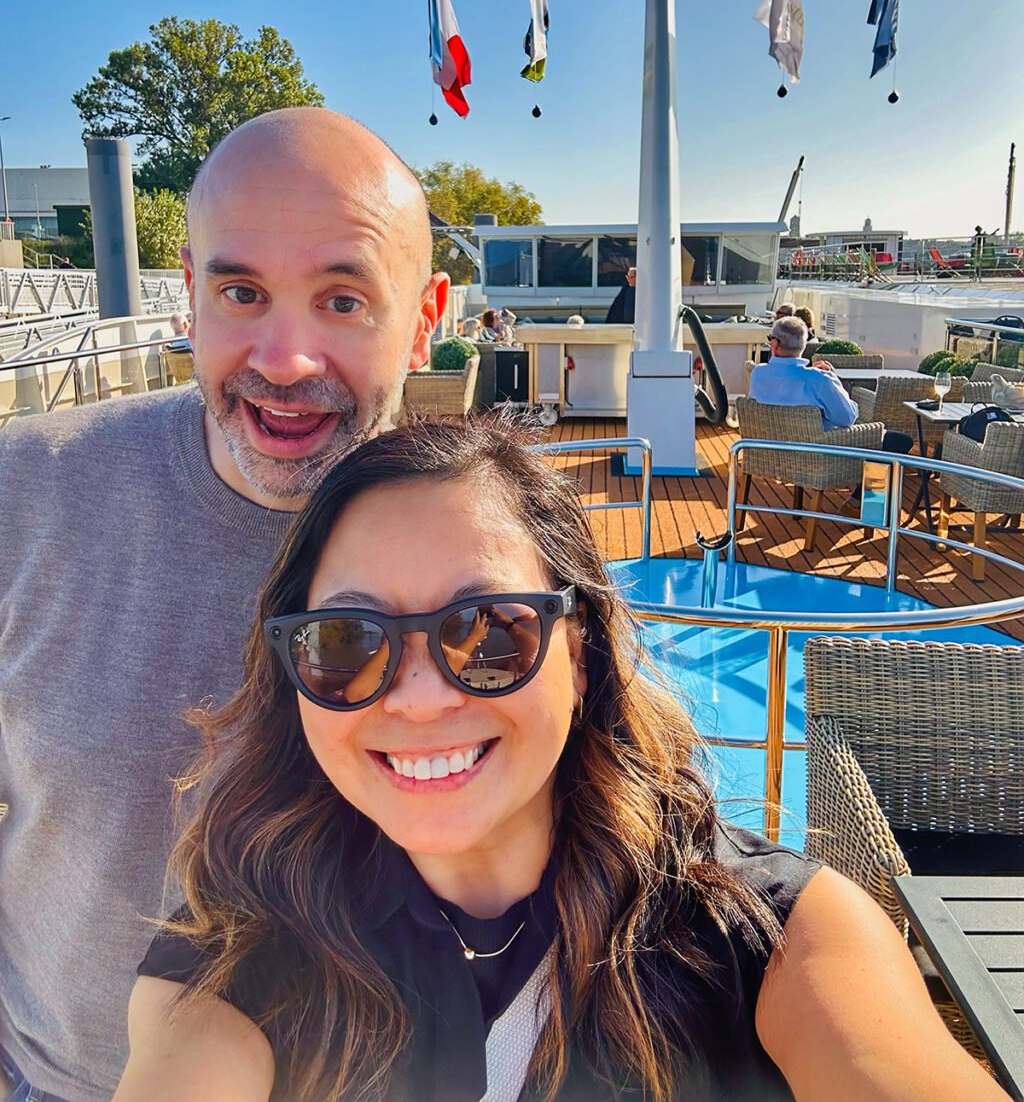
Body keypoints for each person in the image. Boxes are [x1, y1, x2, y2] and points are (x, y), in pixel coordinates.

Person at [115, 418, 1003, 1102]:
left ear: (577, 657)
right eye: (347, 642)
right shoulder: (240, 952)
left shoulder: (772, 941)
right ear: (296, 672)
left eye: (489, 632)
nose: (421, 700)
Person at [0, 107, 449, 1102]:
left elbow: (629, 818)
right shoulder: (24, 491)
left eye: (342, 299)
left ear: (426, 317)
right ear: (188, 301)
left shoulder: (484, 553)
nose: (284, 360)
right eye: (240, 290)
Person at [749, 317, 913, 457]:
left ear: (775, 344)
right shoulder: (819, 380)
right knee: (899, 441)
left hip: (769, 449)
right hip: (816, 453)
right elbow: (847, 418)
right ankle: (863, 494)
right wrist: (834, 379)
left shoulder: (757, 374)